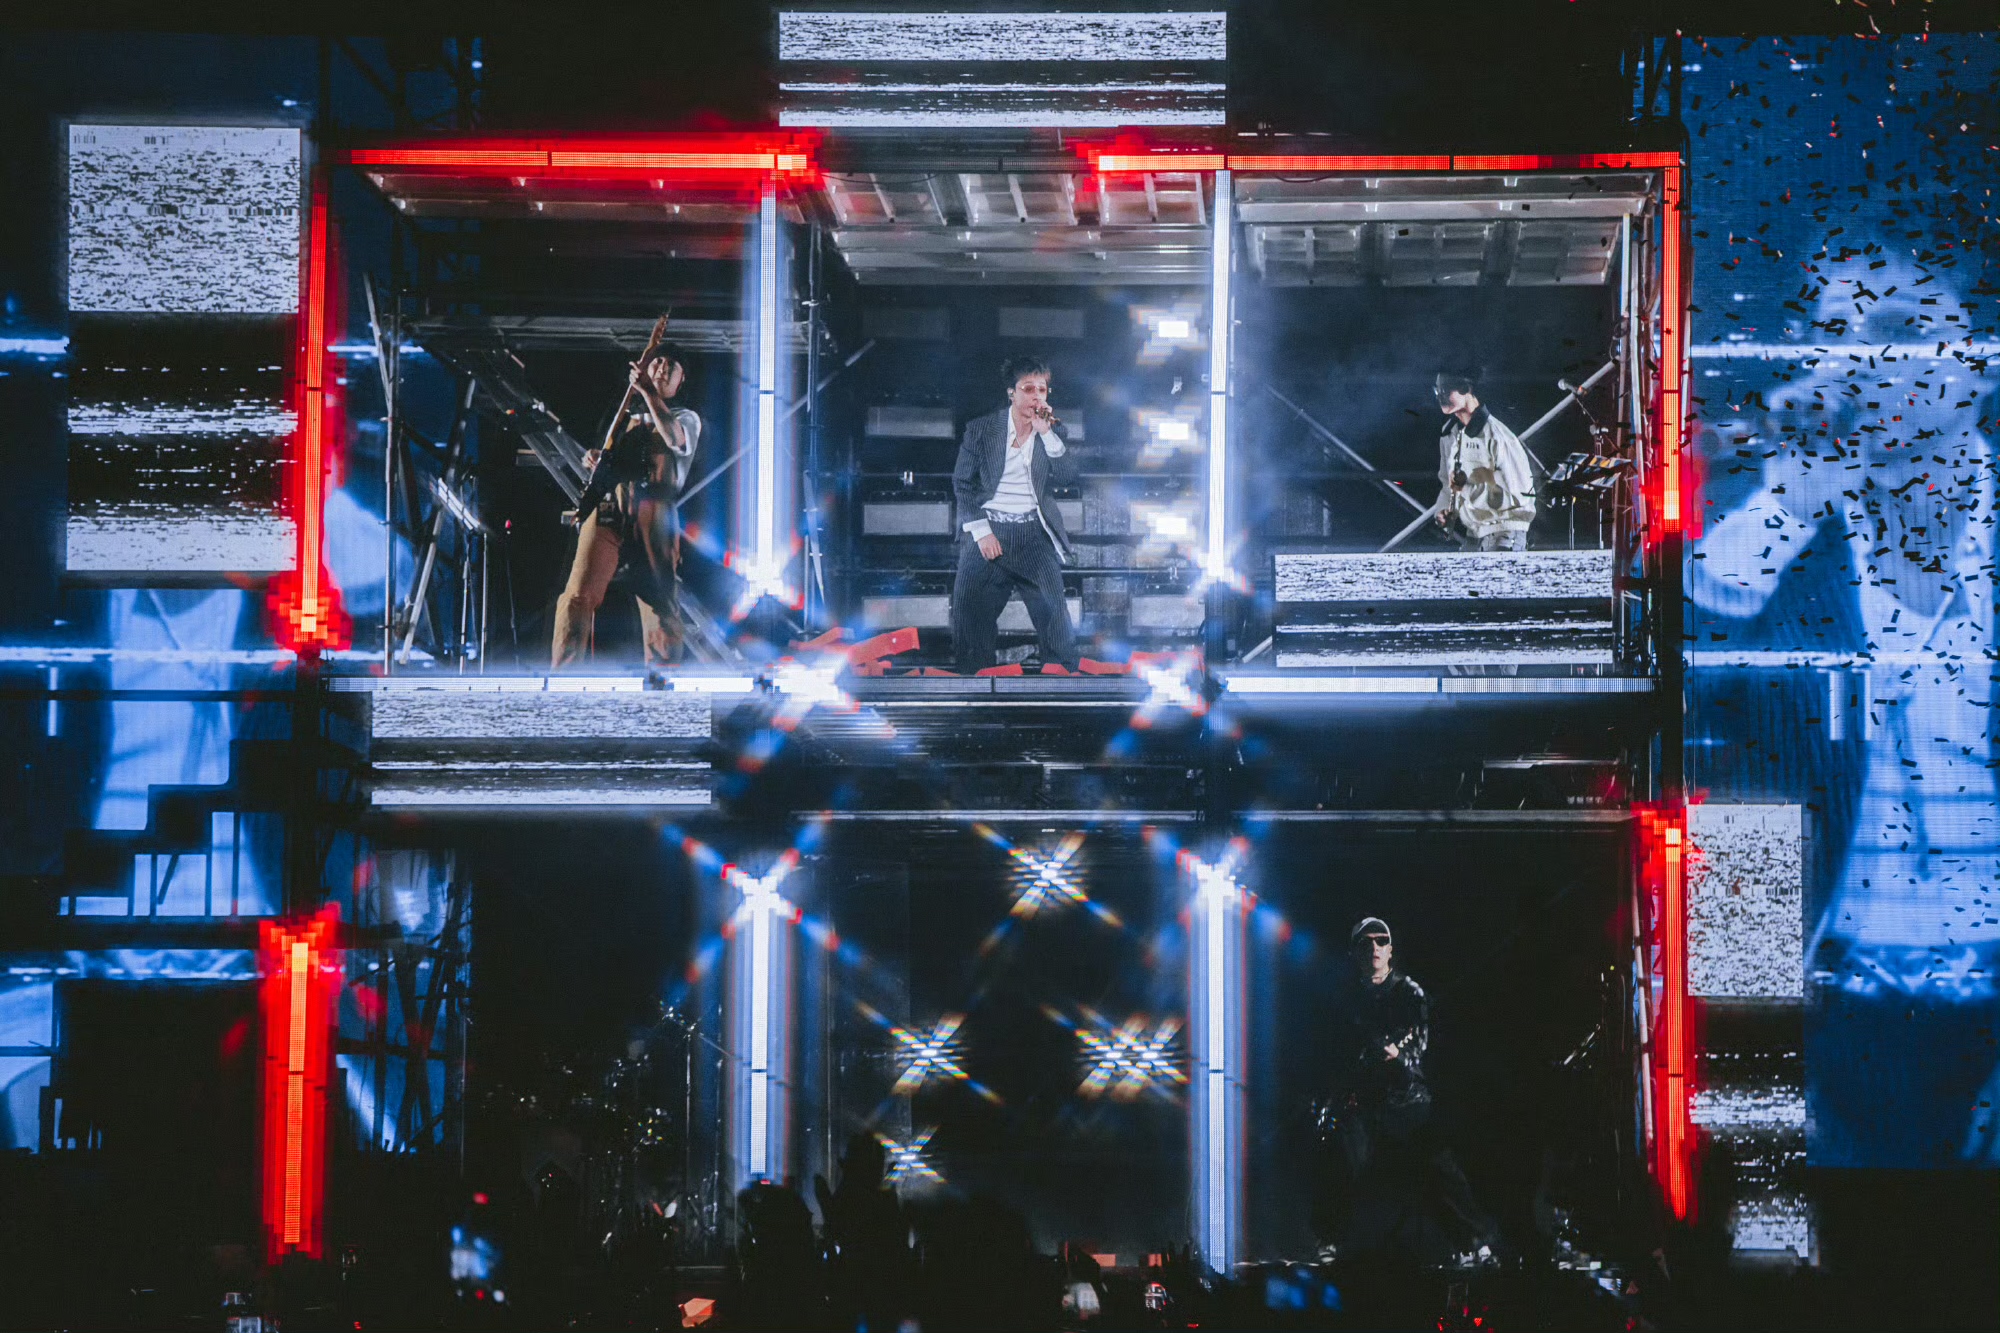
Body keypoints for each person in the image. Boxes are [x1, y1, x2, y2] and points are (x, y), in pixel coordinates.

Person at [1318, 916, 1498, 1264]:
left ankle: (1475, 1243)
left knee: (1437, 1166)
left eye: (1381, 940)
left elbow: (1421, 1041)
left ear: (1390, 950)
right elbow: (1332, 1049)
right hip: (1360, 1097)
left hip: (1405, 1096)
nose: (1374, 947)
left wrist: (1399, 1055)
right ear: (1354, 952)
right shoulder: (1346, 999)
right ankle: (1330, 1240)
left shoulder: (1408, 992)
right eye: (1366, 942)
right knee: (1340, 1155)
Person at [551, 346, 700, 667]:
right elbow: (606, 457)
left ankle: (662, 679)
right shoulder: (621, 416)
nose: (661, 367)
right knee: (577, 594)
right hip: (609, 505)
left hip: (653, 510)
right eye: (657, 361)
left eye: (671, 365)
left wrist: (647, 392)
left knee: (658, 601)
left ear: (681, 380)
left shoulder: (686, 417)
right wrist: (595, 458)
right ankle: (564, 677)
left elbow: (674, 439)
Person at [950, 356, 1081, 673]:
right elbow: (962, 484)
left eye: (1042, 389)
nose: (1037, 396)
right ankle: (975, 678)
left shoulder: (1054, 431)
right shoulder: (981, 429)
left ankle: (1060, 679)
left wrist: (1046, 433)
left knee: (1054, 613)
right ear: (1012, 392)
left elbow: (1067, 477)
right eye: (1028, 389)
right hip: (989, 529)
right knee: (970, 611)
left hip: (1033, 533)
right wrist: (982, 533)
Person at [1433, 370, 1536, 551]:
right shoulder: (1450, 435)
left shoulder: (1497, 436)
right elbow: (1448, 484)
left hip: (1504, 532)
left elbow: (1520, 497)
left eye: (1446, 391)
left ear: (1466, 389)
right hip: (1475, 533)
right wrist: (1443, 510)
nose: (1440, 397)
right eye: (1437, 391)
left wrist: (1466, 488)